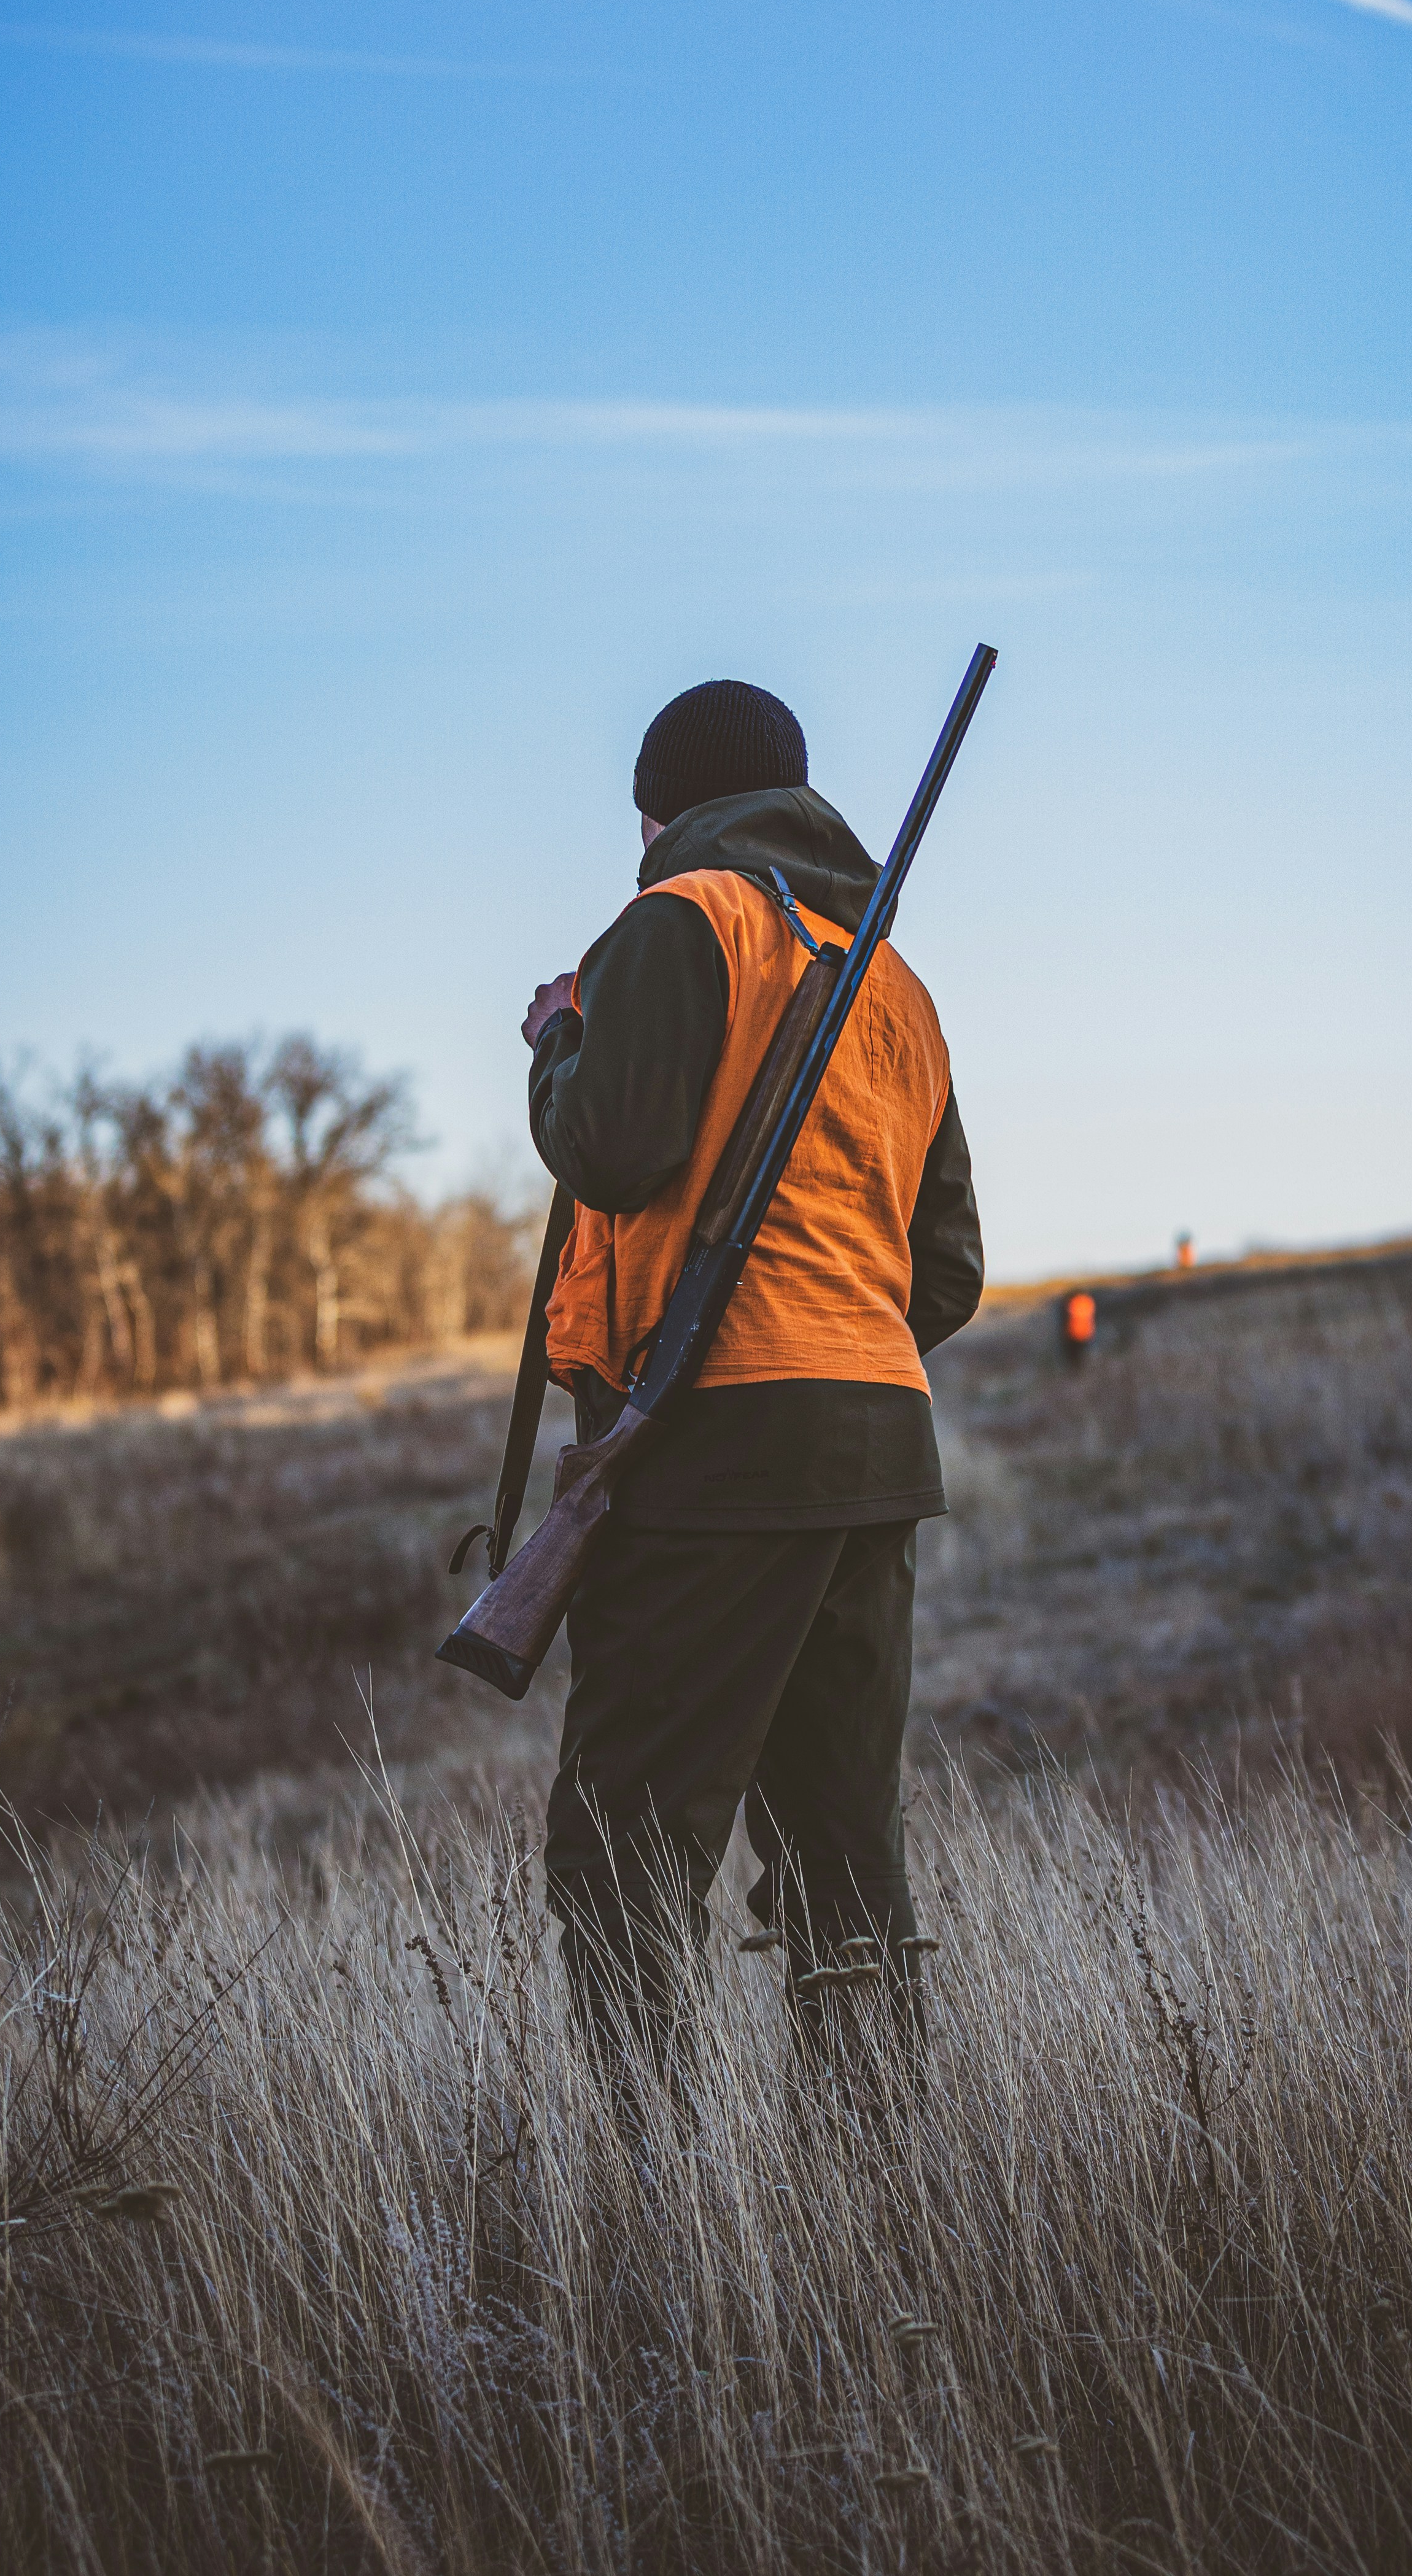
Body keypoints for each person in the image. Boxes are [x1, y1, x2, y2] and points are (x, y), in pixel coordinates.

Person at [519, 675, 982, 2066]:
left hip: (720, 1444)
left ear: (661, 809)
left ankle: (656, 2205)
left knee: (625, 1849)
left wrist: (558, 1038)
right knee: (844, 1847)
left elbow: (608, 1144)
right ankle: (874, 2190)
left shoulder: (681, 918)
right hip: (878, 1446)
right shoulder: (890, 982)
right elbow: (944, 1275)